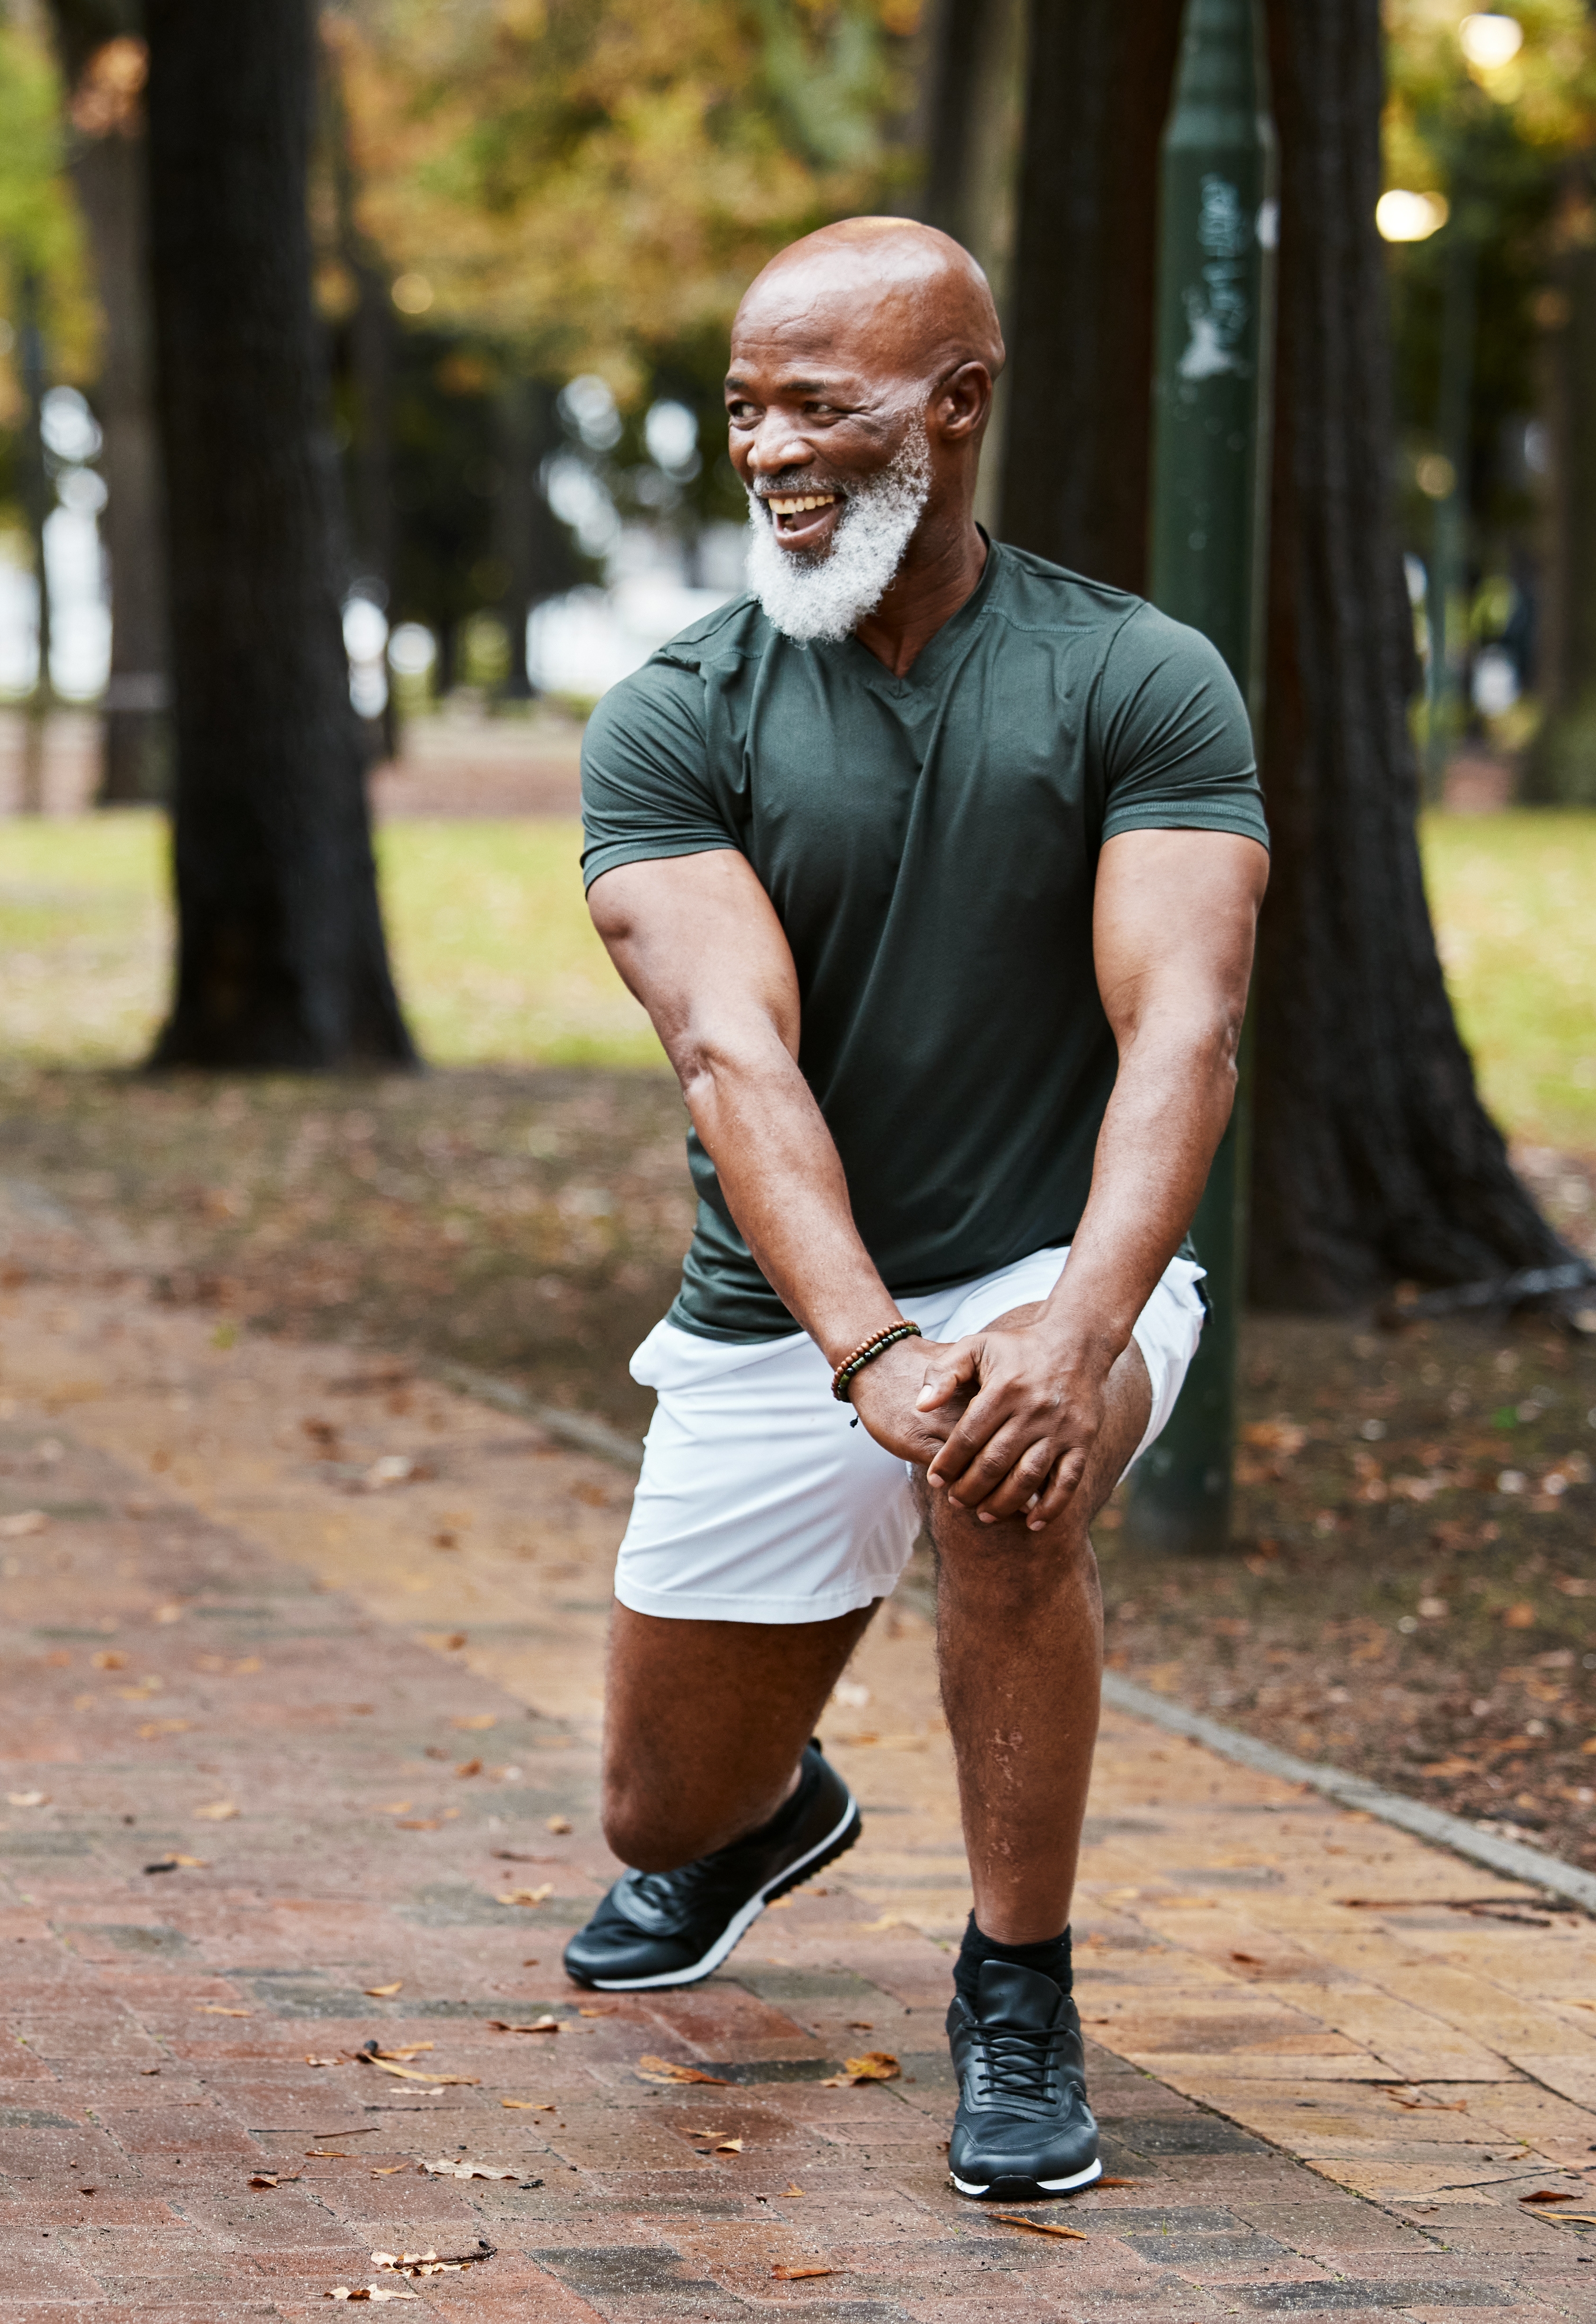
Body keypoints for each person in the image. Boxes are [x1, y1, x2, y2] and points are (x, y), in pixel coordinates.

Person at [557, 219, 1269, 2203]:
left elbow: (1183, 1026)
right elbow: (729, 1056)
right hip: (782, 1300)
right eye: (741, 408)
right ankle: (760, 1818)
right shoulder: (675, 711)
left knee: (1005, 1475)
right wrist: (860, 1340)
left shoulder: (1136, 675)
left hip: (1064, 1252)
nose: (766, 446)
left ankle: (1014, 1987)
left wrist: (1076, 1326)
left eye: (818, 402)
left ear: (956, 407)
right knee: (649, 1806)